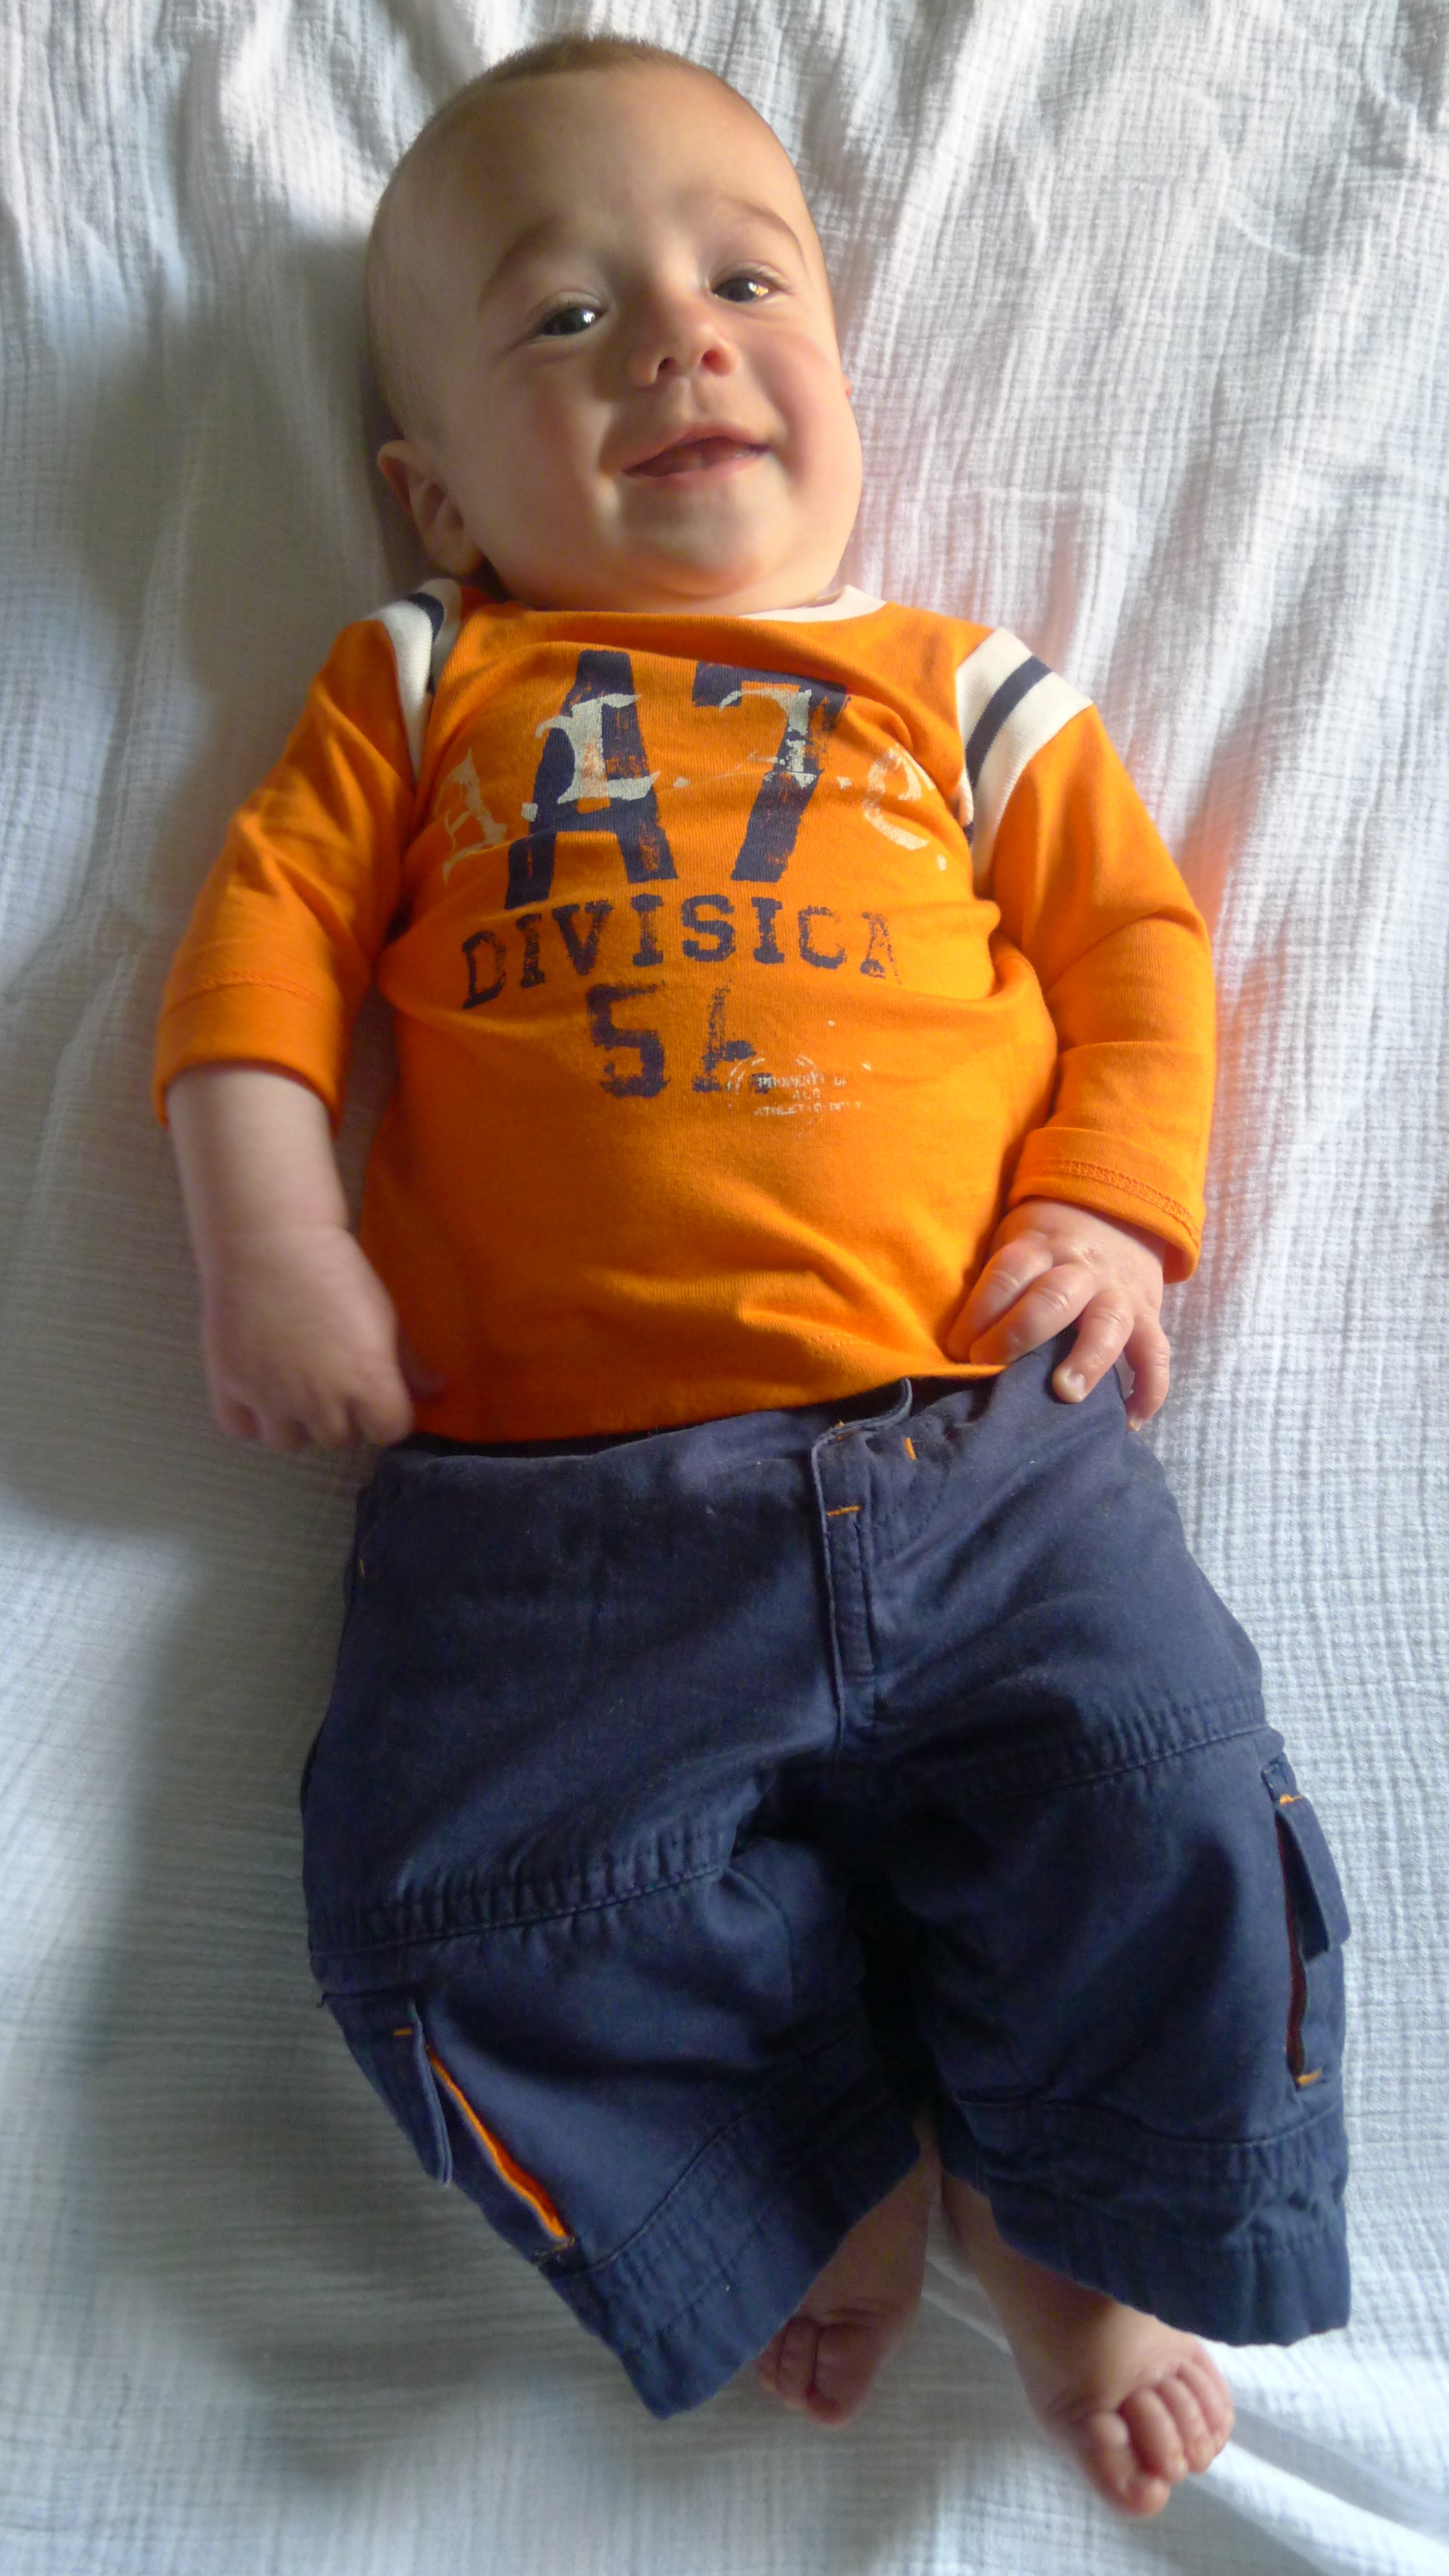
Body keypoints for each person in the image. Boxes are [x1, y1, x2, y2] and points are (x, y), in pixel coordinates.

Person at [154, 32, 1350, 2518]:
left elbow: (1137, 957)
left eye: (743, 281)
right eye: (567, 317)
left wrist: (1115, 1202)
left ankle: (1072, 2219)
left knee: (1159, 1792)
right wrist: (270, 1233)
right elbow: (255, 970)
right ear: (432, 490)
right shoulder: (420, 683)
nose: (679, 342)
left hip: (984, 1452)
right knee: (456, 1901)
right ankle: (803, 2159)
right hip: (547, 1532)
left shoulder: (963, 695)